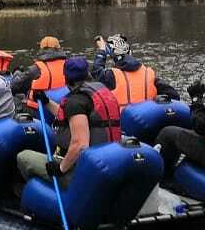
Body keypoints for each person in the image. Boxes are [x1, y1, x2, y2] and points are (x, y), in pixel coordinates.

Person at [16, 55, 122, 187]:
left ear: (66, 79)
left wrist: (60, 168)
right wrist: (46, 102)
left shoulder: (76, 102)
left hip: (82, 172)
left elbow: (80, 145)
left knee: (24, 157)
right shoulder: (100, 90)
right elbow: (73, 116)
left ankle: (41, 193)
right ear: (86, 74)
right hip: (107, 162)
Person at [91, 34, 179, 105]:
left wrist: (101, 50)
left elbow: (96, 72)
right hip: (148, 121)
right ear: (130, 52)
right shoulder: (148, 74)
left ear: (112, 56)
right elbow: (174, 95)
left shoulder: (112, 76)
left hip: (123, 123)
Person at [11, 35, 69, 105]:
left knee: (17, 94)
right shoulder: (69, 65)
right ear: (59, 48)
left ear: (41, 49)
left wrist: (17, 74)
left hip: (41, 109)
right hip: (65, 106)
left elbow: (14, 87)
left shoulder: (36, 69)